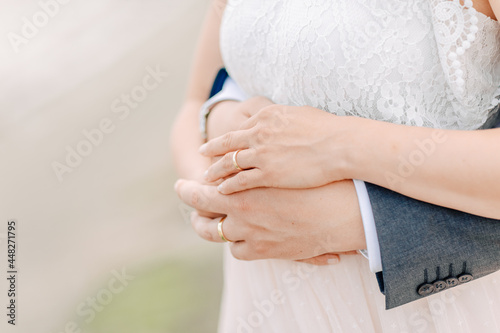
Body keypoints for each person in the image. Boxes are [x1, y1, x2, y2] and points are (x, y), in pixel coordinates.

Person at [172, 0, 500, 331]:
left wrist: (340, 148)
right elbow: (193, 103)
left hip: (427, 310)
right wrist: (218, 159)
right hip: (265, 302)